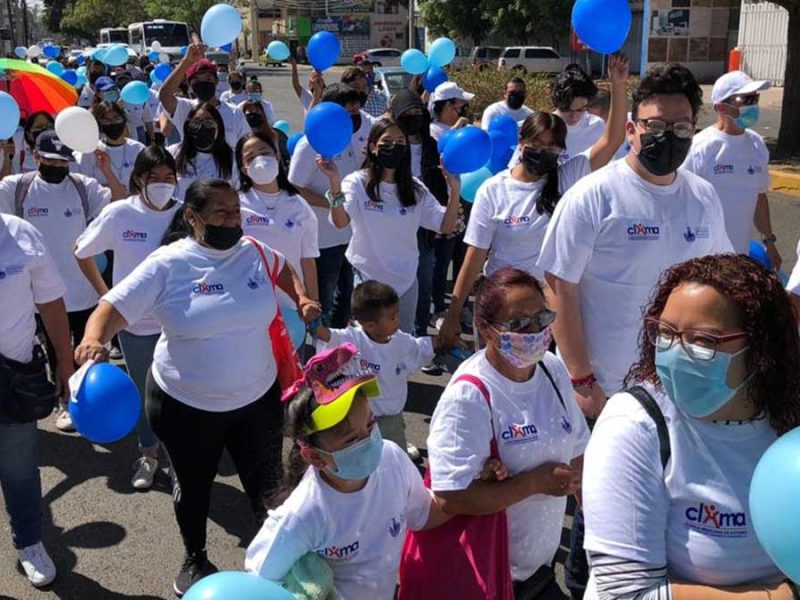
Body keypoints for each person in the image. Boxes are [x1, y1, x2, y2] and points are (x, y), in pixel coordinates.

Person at [536, 64, 734, 598]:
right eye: (654, 126)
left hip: (687, 396)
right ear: (631, 128)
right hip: (609, 398)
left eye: (681, 127)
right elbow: (559, 289)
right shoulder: (594, 196)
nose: (667, 137)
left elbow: (718, 284)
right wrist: (582, 381)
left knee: (673, 514)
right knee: (604, 530)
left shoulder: (702, 197)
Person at [74, 178, 320, 596]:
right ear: (192, 217)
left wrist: (302, 298)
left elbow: (285, 270)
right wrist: (95, 338)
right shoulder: (168, 263)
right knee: (194, 485)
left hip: (257, 400)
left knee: (268, 484)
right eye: (221, 213)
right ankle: (195, 556)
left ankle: (278, 556)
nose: (233, 221)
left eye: (237, 213)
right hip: (184, 406)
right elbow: (111, 307)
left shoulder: (256, 252)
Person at [583, 254, 800, 600]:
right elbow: (625, 594)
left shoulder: (788, 418)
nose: (675, 352)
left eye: (703, 340)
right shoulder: (634, 425)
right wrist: (779, 596)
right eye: (665, 333)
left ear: (760, 348)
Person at [439, 56, 629, 350]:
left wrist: (618, 84)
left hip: (545, 310)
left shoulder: (565, 177)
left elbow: (613, 138)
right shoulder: (494, 190)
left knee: (537, 384)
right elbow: (474, 258)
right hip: (502, 306)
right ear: (521, 142)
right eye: (537, 145)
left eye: (553, 148)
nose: (544, 152)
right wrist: (453, 314)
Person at [244, 342, 462, 598]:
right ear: (314, 456)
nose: (369, 441)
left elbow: (426, 513)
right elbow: (256, 584)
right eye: (351, 440)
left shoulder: (392, 458)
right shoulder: (302, 516)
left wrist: (480, 485)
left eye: (370, 424)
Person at [426, 267, 590, 598]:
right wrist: (534, 483)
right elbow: (449, 495)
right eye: (518, 324)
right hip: (485, 577)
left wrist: (584, 491)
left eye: (542, 318)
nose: (534, 332)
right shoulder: (469, 395)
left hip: (538, 572)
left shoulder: (552, 368)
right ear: (486, 329)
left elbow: (577, 449)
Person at [73, 145, 181, 490]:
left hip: (179, 326)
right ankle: (148, 455)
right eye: (154, 178)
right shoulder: (120, 214)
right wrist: (107, 295)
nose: (163, 184)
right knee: (144, 393)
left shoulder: (186, 214)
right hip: (135, 327)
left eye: (169, 178)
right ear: (138, 180)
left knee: (179, 395)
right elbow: (82, 251)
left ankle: (179, 459)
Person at [0, 130, 111, 433]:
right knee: (56, 353)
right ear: (35, 156)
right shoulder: (16, 188)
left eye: (64, 162)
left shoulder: (83, 187)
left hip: (83, 290)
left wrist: (107, 170)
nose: (58, 167)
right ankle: (66, 403)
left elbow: (120, 206)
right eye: (50, 160)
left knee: (89, 352)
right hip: (41, 296)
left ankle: (92, 405)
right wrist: (6, 157)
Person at [323, 118, 461, 334]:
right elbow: (340, 221)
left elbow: (445, 226)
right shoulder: (357, 182)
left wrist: (454, 190)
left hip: (405, 281)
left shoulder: (416, 189)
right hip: (368, 279)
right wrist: (334, 182)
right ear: (373, 147)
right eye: (387, 142)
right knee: (369, 345)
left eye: (400, 142)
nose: (394, 147)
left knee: (401, 342)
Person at [0, 213, 72, 588]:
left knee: (19, 470)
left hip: (13, 379)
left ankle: (29, 542)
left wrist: (65, 359)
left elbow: (51, 302)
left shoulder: (20, 233)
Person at [315, 280, 439, 455]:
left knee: (394, 458)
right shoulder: (353, 339)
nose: (398, 320)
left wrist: (443, 340)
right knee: (366, 460)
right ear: (370, 325)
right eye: (392, 317)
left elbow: (421, 348)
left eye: (397, 314)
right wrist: (312, 320)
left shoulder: (401, 341)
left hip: (391, 419)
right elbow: (327, 335)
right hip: (362, 421)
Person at [682, 71, 778, 264]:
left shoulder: (757, 144)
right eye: (745, 99)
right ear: (721, 107)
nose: (752, 105)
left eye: (755, 98)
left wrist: (769, 241)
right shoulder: (699, 148)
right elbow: (679, 202)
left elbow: (758, 197)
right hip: (702, 259)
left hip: (738, 257)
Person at [388, 90, 460, 345]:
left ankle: (419, 336)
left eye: (418, 113)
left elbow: (441, 184)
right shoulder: (391, 144)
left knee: (423, 280)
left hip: (426, 222)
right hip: (394, 221)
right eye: (408, 114)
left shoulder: (431, 145)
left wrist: (444, 215)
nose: (414, 118)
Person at [289, 84, 362, 329]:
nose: (354, 115)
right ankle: (323, 353)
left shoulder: (347, 139)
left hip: (349, 236)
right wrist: (332, 203)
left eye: (355, 110)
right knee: (325, 299)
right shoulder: (309, 145)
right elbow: (294, 188)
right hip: (322, 240)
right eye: (348, 110)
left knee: (347, 299)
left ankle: (343, 350)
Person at [236, 131, 319, 303]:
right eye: (250, 158)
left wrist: (314, 303)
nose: (260, 160)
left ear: (276, 156)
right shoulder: (236, 205)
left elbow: (308, 261)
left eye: (265, 153)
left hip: (293, 303)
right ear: (243, 169)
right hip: (251, 303)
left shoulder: (299, 205)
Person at [158, 44, 249, 148]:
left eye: (208, 79)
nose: (203, 84)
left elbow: (245, 146)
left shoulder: (234, 113)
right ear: (189, 85)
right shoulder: (184, 108)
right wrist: (186, 62)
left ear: (216, 81)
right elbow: (164, 95)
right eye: (197, 81)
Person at [76, 101, 145, 200]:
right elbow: (85, 184)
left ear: (124, 119)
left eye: (116, 118)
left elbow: (145, 183)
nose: (113, 123)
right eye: (106, 120)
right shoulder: (91, 151)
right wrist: (106, 190)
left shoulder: (138, 149)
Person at [168, 103, 236, 200]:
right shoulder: (173, 152)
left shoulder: (232, 157)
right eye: (196, 123)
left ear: (218, 127)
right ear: (188, 127)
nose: (202, 128)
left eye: (209, 123)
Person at [551, 65, 606, 162]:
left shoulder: (598, 126)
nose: (574, 116)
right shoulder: (544, 127)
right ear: (556, 104)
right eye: (567, 110)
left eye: (580, 110)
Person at [3, 112, 55, 176]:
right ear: (29, 134)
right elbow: (4, 182)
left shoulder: (62, 157)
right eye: (38, 127)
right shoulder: (19, 157)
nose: (44, 130)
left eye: (48, 126)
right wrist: (7, 159)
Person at [114, 70, 155, 146]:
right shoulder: (115, 100)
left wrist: (152, 140)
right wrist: (118, 108)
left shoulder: (141, 100)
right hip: (121, 132)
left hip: (138, 132)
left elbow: (148, 121)